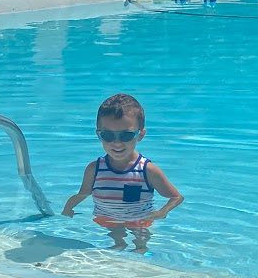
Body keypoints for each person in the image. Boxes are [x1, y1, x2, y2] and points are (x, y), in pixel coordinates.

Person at [62, 93, 182, 252]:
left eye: (126, 135)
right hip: (109, 218)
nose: (117, 143)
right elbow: (83, 193)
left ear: (140, 135)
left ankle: (142, 254)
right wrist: (68, 208)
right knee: (117, 240)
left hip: (139, 220)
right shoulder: (94, 169)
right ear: (98, 135)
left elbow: (176, 197)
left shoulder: (147, 170)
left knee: (141, 242)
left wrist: (162, 212)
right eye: (108, 135)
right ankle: (119, 249)